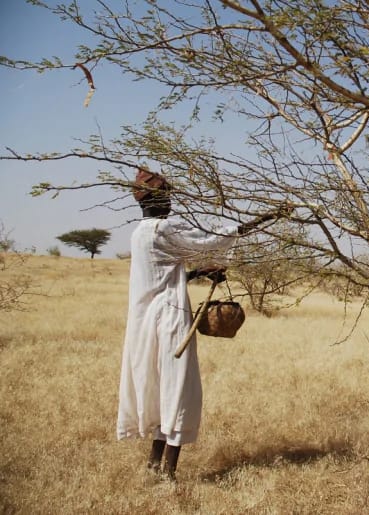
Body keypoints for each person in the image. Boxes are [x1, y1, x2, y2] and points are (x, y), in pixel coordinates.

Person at [117, 168, 289, 480]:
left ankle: (154, 465)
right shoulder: (163, 230)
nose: (170, 202)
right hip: (169, 321)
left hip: (147, 324)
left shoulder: (140, 233)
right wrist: (269, 217)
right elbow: (213, 238)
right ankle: (168, 473)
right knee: (180, 392)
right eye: (166, 196)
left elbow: (166, 275)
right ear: (153, 200)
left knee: (161, 390)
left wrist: (199, 273)